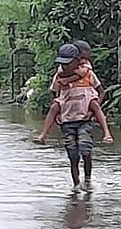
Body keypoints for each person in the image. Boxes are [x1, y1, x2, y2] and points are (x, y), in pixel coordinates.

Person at [37, 43, 106, 191]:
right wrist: (57, 110)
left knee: (86, 150)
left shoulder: (88, 74)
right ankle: (76, 187)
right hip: (67, 122)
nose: (64, 66)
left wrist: (93, 108)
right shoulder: (59, 76)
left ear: (77, 60)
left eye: (67, 63)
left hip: (84, 120)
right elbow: (53, 94)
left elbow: (101, 91)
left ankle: (87, 181)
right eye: (62, 63)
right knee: (73, 156)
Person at [37, 40, 112, 145]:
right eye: (83, 58)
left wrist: (91, 112)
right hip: (68, 109)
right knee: (54, 108)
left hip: (85, 105)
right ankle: (43, 135)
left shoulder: (86, 69)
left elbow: (84, 75)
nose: (84, 60)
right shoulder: (61, 70)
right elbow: (54, 89)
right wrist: (58, 112)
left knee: (94, 104)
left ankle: (107, 133)